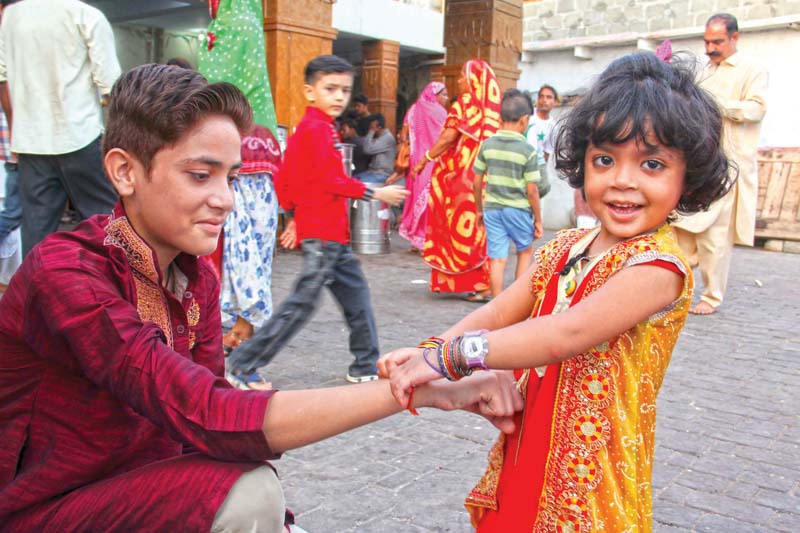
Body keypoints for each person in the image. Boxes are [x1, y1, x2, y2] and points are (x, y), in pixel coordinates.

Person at [0, 63, 522, 532]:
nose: (225, 199)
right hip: (46, 507)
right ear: (124, 172)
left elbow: (207, 433)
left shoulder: (196, 278)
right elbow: (208, 411)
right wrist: (419, 389)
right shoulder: (67, 274)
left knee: (251, 488)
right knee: (250, 493)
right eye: (200, 175)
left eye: (230, 176)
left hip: (143, 492)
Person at [380, 52, 733, 532]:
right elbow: (502, 309)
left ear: (687, 176)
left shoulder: (658, 267)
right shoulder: (567, 245)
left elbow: (564, 333)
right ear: (582, 161)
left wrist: (450, 358)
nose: (622, 180)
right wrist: (429, 351)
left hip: (591, 478)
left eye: (652, 164)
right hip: (529, 447)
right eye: (605, 159)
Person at [226, 55, 408, 383]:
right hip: (323, 237)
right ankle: (243, 363)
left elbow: (288, 181)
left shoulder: (319, 129)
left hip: (331, 236)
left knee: (356, 296)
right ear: (310, 92)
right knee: (301, 305)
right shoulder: (315, 130)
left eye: (345, 90)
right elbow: (329, 181)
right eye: (331, 88)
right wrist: (377, 194)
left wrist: (296, 217)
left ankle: (365, 365)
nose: (339, 96)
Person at [0, 0, 121, 255]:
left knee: (36, 233)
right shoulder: (86, 16)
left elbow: (3, 80)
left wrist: (17, 132)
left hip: (31, 141)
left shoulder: (11, 16)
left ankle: (37, 292)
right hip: (81, 136)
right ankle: (110, 289)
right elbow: (111, 86)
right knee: (107, 226)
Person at [671, 13, 768, 315]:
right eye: (707, 42)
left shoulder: (752, 70)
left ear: (734, 38)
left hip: (729, 166)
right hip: (699, 161)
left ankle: (711, 296)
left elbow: (757, 108)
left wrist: (720, 106)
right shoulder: (704, 71)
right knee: (680, 226)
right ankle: (674, 290)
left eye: (717, 41)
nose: (710, 48)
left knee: (715, 236)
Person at [412, 59, 502, 303]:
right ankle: (484, 284)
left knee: (459, 228)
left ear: (473, 80)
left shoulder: (464, 104)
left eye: (463, 75)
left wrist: (425, 159)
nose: (459, 80)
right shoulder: (492, 111)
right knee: (479, 230)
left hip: (463, 179)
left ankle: (477, 283)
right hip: (486, 178)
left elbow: (449, 136)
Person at [220, 125, 281, 391]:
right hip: (230, 175)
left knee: (256, 262)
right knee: (242, 265)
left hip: (263, 175)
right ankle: (241, 359)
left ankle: (236, 351)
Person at [473, 89, 543, 299]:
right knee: (525, 251)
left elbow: (476, 181)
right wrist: (538, 220)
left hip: (492, 209)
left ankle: (496, 303)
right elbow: (532, 189)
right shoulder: (527, 150)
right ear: (524, 120)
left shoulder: (487, 145)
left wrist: (479, 210)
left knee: (498, 258)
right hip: (518, 210)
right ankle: (515, 301)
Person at [392, 81, 448, 252]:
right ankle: (427, 240)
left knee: (416, 199)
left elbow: (403, 135)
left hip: (415, 164)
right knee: (432, 203)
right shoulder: (441, 113)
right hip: (434, 162)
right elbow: (446, 138)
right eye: (443, 94)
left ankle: (415, 242)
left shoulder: (413, 110)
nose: (445, 98)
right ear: (435, 95)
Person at [525, 84, 558, 177]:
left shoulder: (553, 126)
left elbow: (547, 152)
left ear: (555, 102)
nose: (544, 100)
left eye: (549, 97)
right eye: (541, 96)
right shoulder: (528, 114)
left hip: (535, 166)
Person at [355, 113, 396, 184]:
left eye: (371, 126)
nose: (370, 128)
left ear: (379, 127)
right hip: (372, 172)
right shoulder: (379, 137)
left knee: (359, 184)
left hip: (382, 174)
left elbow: (367, 149)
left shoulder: (387, 138)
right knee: (352, 180)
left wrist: (371, 131)